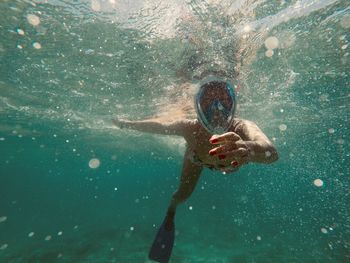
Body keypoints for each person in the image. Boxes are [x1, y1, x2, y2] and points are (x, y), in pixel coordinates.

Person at [113, 76, 278, 262]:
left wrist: (247, 148)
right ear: (198, 106)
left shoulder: (242, 126)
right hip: (198, 159)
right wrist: (126, 124)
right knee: (183, 194)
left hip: (230, 161)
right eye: (209, 102)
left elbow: (271, 153)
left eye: (223, 102)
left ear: (233, 105)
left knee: (185, 193)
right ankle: (170, 213)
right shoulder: (189, 127)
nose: (217, 110)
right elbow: (159, 126)